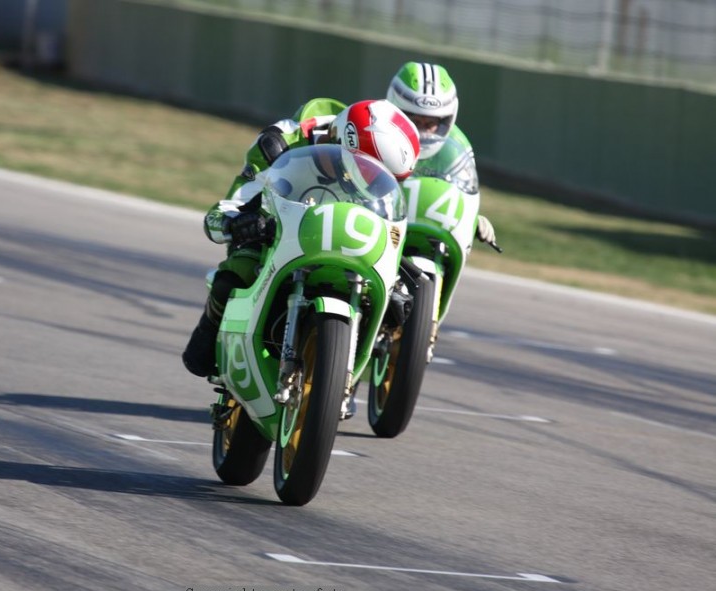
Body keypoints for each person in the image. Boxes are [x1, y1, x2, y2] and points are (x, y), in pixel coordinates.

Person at [182, 98, 421, 378]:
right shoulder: (282, 142)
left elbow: (392, 224)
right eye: (369, 171)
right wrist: (234, 222)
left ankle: (341, 377)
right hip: (282, 233)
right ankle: (209, 335)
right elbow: (235, 202)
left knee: (398, 303)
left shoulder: (377, 178)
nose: (374, 182)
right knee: (237, 272)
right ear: (346, 146)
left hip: (349, 243)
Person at [385, 61, 498, 249]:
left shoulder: (456, 148)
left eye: (429, 124)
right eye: (414, 121)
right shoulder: (378, 135)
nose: (422, 131)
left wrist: (471, 219)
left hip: (429, 237)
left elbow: (460, 191)